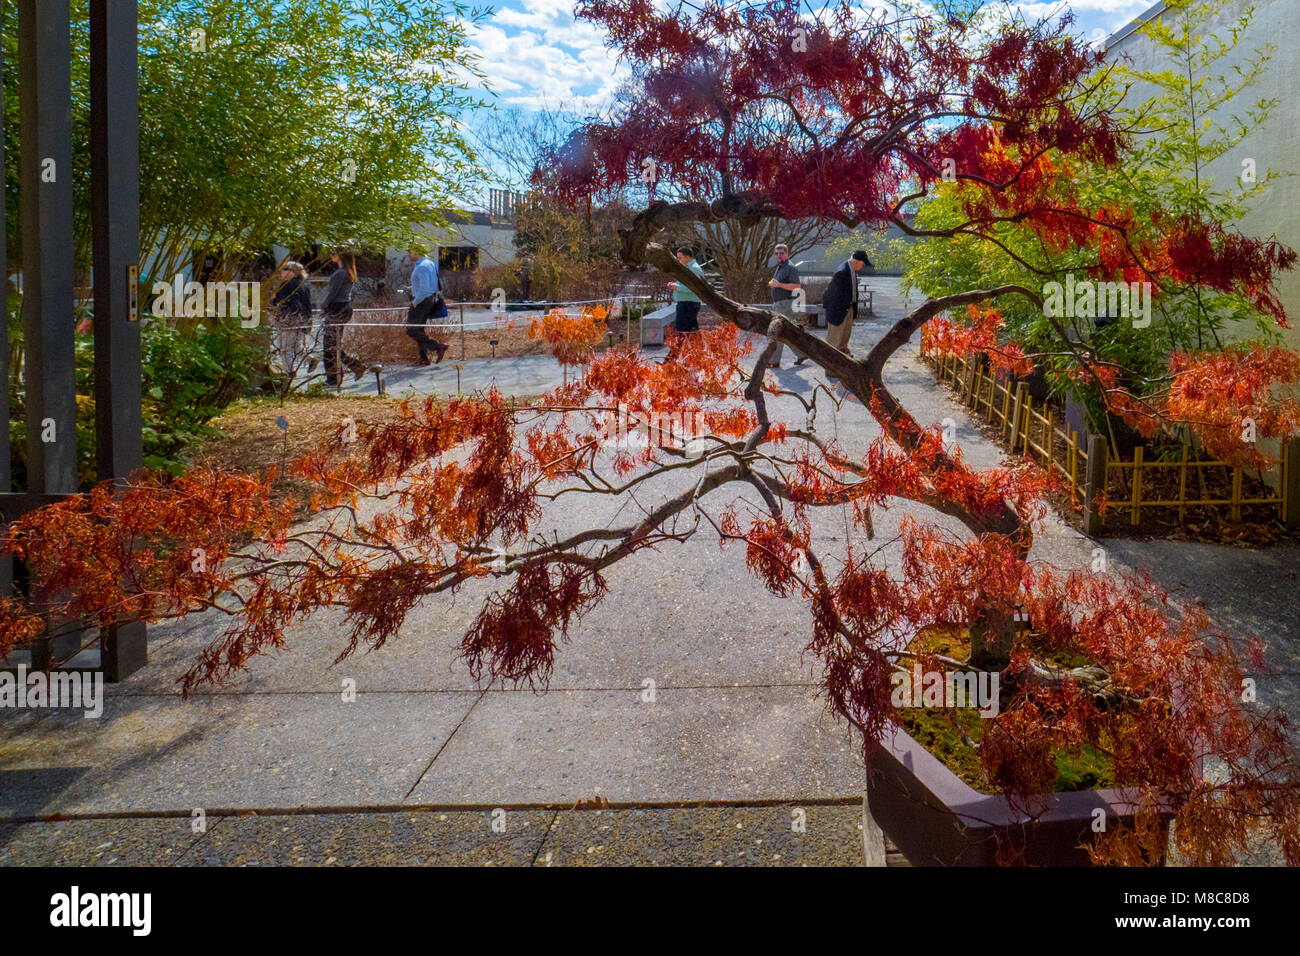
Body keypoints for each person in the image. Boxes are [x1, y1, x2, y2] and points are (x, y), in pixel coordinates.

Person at [320, 251, 366, 386]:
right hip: (342, 307)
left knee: (330, 346)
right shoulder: (346, 271)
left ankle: (334, 377)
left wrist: (323, 306)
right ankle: (350, 368)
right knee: (333, 344)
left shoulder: (341, 273)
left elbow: (332, 293)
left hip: (336, 308)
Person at [823, 249, 870, 362]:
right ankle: (832, 367)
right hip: (838, 311)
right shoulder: (842, 272)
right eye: (862, 264)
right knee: (835, 341)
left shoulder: (851, 270)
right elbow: (830, 294)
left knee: (843, 340)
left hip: (848, 308)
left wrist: (851, 309)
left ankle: (843, 359)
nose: (862, 266)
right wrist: (834, 313)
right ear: (857, 261)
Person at [405, 245, 448, 366]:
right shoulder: (429, 263)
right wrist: (412, 289)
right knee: (419, 330)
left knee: (411, 330)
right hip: (428, 299)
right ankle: (423, 359)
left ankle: (437, 346)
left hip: (421, 301)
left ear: (417, 252)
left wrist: (415, 302)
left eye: (410, 252)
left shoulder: (422, 267)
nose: (408, 255)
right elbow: (428, 284)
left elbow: (424, 289)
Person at [269, 260, 312, 372]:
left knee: (285, 349)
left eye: (284, 270)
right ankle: (310, 360)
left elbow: (279, 302)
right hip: (301, 319)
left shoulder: (286, 285)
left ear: (292, 272)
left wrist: (274, 299)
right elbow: (307, 304)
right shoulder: (303, 285)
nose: (282, 273)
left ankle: (289, 372)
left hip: (287, 319)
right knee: (296, 346)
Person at [665, 247, 707, 358]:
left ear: (688, 257)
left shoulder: (694, 269)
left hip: (688, 304)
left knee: (681, 331)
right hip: (688, 304)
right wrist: (676, 285)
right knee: (692, 333)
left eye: (680, 258)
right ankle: (700, 357)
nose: (678, 260)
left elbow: (695, 287)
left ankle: (671, 360)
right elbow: (686, 285)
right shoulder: (689, 267)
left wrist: (676, 287)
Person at [766, 243, 801, 368]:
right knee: (787, 332)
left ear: (787, 253)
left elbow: (797, 286)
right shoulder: (780, 267)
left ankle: (774, 361)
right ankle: (801, 354)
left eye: (781, 253)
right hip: (779, 304)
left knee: (777, 332)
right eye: (776, 253)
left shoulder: (791, 268)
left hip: (786, 303)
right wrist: (775, 284)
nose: (779, 255)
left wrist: (779, 285)